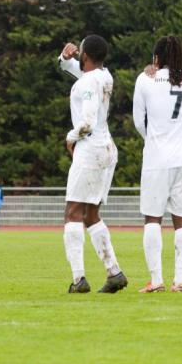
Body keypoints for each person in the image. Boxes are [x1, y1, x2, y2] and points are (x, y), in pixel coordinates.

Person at [58, 35, 128, 294]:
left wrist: (71, 137)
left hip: (90, 149)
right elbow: (83, 74)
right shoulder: (104, 76)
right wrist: (65, 61)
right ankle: (114, 273)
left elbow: (86, 121)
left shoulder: (87, 82)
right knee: (91, 214)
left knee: (72, 213)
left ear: (84, 55)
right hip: (108, 148)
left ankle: (79, 279)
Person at [133, 36, 182, 293]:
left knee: (152, 219)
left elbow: (139, 121)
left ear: (156, 58)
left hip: (156, 158)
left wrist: (153, 139)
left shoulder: (145, 79)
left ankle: (157, 280)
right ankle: (179, 281)